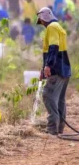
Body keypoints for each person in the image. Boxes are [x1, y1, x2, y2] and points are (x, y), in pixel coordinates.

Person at [37, 7, 71, 136]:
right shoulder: (58, 26)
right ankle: (59, 127)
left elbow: (53, 47)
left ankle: (52, 128)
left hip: (56, 69)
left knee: (48, 95)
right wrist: (43, 67)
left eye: (42, 21)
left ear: (44, 18)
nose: (42, 24)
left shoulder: (51, 27)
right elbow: (51, 50)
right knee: (60, 99)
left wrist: (48, 66)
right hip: (64, 68)